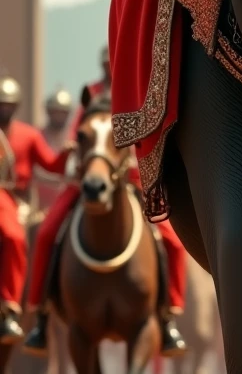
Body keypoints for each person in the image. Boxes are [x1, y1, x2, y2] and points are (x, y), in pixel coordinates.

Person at [22, 88, 188, 359]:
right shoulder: (87, 105)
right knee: (46, 233)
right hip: (87, 181)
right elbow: (81, 144)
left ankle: (169, 319)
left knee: (172, 241)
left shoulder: (135, 97)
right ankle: (39, 315)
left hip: (128, 180)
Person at [0, 76, 74, 344]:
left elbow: (52, 166)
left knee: (16, 237)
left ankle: (11, 306)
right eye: (1, 104)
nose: (4, 109)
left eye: (8, 105)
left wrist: (66, 154)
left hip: (14, 200)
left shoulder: (28, 135)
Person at [37, 88, 74, 211]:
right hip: (39, 205)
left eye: (62, 112)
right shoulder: (38, 137)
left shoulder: (75, 139)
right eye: (55, 112)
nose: (59, 116)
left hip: (68, 204)